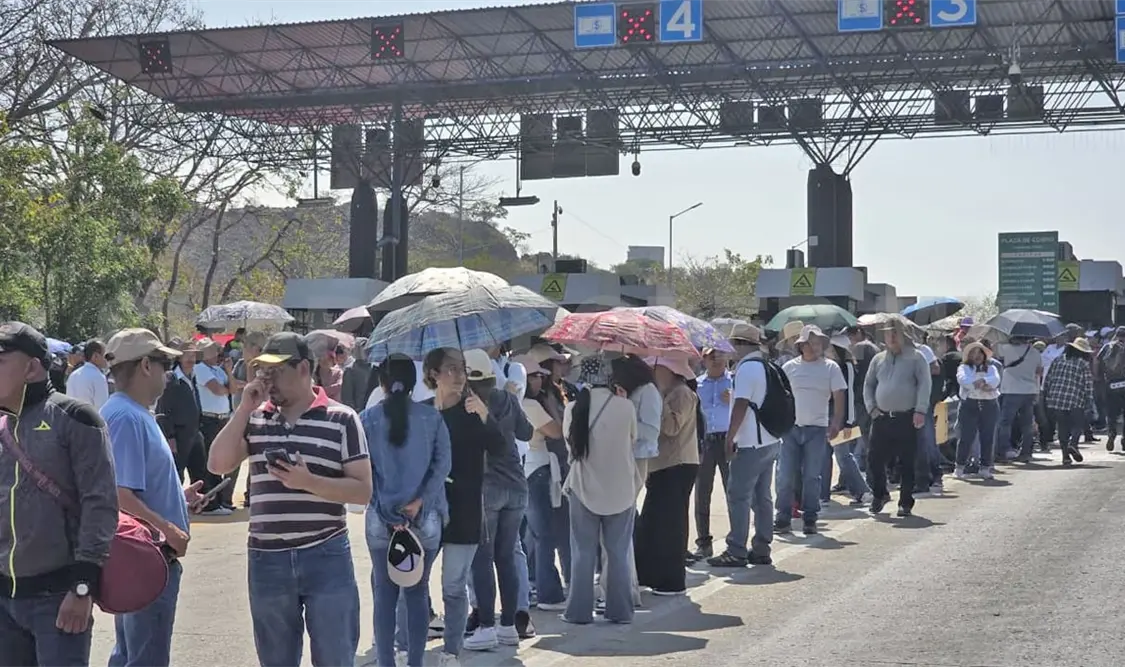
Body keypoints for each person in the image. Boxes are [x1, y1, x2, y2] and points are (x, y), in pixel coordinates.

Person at [207, 332, 372, 667]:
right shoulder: (256, 418)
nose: (267, 380)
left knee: (335, 657)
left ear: (304, 368)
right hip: (268, 559)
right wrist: (243, 409)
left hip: (325, 554)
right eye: (262, 371)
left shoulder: (342, 419)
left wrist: (308, 482)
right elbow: (217, 464)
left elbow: (362, 491)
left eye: (276, 371)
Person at [0, 322, 118, 667]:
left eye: (1, 359)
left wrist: (82, 587)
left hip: (59, 598)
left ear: (32, 367)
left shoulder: (75, 417)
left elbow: (101, 504)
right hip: (4, 599)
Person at [103, 328, 205, 667]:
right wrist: (169, 531)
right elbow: (119, 495)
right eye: (164, 364)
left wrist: (178, 496)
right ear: (146, 365)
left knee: (132, 654)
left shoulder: (131, 413)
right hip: (147, 558)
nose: (169, 373)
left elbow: (132, 487)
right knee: (145, 658)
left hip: (141, 557)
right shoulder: (126, 417)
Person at [360, 355, 451, 667]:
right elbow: (443, 465)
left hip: (379, 518)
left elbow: (363, 471)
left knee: (383, 594)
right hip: (424, 519)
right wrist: (420, 501)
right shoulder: (432, 418)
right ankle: (415, 662)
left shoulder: (367, 418)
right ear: (415, 384)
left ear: (382, 384)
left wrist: (388, 511)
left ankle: (386, 661)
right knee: (417, 592)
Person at [421, 348, 509, 663]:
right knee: (415, 584)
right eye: (451, 369)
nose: (459, 375)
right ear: (432, 374)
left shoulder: (473, 411)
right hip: (425, 511)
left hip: (464, 511)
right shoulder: (421, 412)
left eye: (462, 369)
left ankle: (450, 650)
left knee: (454, 587)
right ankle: (410, 645)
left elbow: (500, 448)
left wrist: (486, 416)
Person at [463, 349, 534, 650]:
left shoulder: (468, 405)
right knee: (506, 558)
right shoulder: (508, 397)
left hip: (487, 489)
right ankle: (508, 625)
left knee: (482, 559)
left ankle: (486, 627)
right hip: (517, 485)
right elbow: (527, 432)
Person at [561, 355, 640, 624]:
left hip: (584, 488)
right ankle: (620, 611)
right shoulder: (626, 407)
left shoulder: (573, 408)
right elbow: (633, 440)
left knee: (582, 552)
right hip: (621, 488)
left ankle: (578, 612)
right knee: (617, 552)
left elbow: (569, 448)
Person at [709, 323, 781, 568]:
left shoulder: (747, 369)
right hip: (769, 439)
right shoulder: (765, 364)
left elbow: (740, 405)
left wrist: (730, 438)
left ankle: (736, 549)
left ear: (739, 344)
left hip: (751, 442)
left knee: (738, 496)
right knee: (762, 497)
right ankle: (761, 547)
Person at [635, 356, 700, 596]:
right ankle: (648, 574)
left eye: (657, 368)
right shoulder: (670, 392)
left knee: (671, 524)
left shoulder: (681, 392)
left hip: (678, 464)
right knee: (653, 522)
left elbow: (673, 427)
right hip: (664, 464)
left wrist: (658, 400)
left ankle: (671, 580)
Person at [775, 325, 846, 536]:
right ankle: (783, 517)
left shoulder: (831, 367)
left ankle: (810, 518)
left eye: (819, 343)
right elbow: (780, 395)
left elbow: (839, 394)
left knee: (812, 476)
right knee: (785, 475)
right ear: (802, 345)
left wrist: (837, 422)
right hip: (791, 429)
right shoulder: (789, 367)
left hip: (817, 428)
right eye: (812, 342)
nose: (816, 347)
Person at [515, 355, 570, 612]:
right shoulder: (529, 404)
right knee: (544, 534)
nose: (541, 379)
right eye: (535, 376)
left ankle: (535, 585)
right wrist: (552, 406)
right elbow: (557, 432)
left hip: (528, 470)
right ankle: (549, 593)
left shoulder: (518, 403)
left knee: (531, 535)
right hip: (537, 470)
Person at [863, 319, 931, 517]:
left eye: (895, 333)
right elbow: (868, 385)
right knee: (874, 459)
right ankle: (880, 494)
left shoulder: (916, 358)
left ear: (904, 335)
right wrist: (871, 408)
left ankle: (905, 501)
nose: (891, 338)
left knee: (906, 461)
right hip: (881, 418)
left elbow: (924, 385)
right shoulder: (878, 359)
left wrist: (920, 410)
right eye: (888, 333)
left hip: (907, 417)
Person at [690, 348, 731, 563]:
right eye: (711, 357)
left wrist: (734, 400)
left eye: (719, 356)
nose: (716, 361)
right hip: (705, 441)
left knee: (732, 490)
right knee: (702, 492)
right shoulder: (697, 385)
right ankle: (703, 543)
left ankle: (735, 540)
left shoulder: (734, 382)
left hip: (728, 440)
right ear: (703, 360)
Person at [193, 338, 235, 514]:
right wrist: (226, 389)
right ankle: (211, 503)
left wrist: (229, 372)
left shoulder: (217, 369)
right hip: (209, 419)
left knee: (220, 458)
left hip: (222, 418)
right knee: (211, 459)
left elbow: (232, 387)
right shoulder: (200, 368)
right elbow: (217, 389)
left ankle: (220, 500)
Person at [156, 340, 205, 484]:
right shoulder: (171, 379)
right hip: (178, 434)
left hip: (194, 431)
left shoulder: (193, 376)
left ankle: (201, 505)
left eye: (193, 355)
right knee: (177, 473)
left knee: (199, 471)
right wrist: (170, 436)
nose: (190, 359)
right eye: (187, 355)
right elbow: (164, 409)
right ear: (179, 357)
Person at [953, 341, 1001, 480]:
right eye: (974, 353)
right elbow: (964, 380)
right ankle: (960, 466)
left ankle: (985, 467)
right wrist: (978, 383)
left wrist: (984, 380)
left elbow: (995, 380)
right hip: (970, 403)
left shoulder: (991, 368)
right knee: (966, 436)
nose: (977, 356)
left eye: (980, 353)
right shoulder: (964, 367)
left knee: (987, 436)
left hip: (989, 404)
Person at [1044, 338, 1095, 466]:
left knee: (1062, 427)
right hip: (1075, 398)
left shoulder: (1058, 360)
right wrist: (1089, 399)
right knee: (1078, 424)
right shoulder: (1082, 364)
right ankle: (1073, 444)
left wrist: (1047, 394)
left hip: (1056, 398)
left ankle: (1065, 456)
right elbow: (1088, 383)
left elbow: (1048, 378)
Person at [993, 335, 1044, 463]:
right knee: (1027, 424)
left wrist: (1002, 338)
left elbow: (993, 349)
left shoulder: (1006, 348)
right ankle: (1026, 452)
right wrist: (1037, 392)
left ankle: (1004, 450)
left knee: (1005, 422)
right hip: (1030, 390)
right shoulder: (1035, 352)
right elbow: (1039, 373)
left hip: (1011, 390)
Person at [65, 339, 110, 410]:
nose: (108, 359)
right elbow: (102, 408)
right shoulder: (98, 377)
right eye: (105, 355)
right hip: (91, 420)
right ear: (95, 356)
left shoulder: (73, 375)